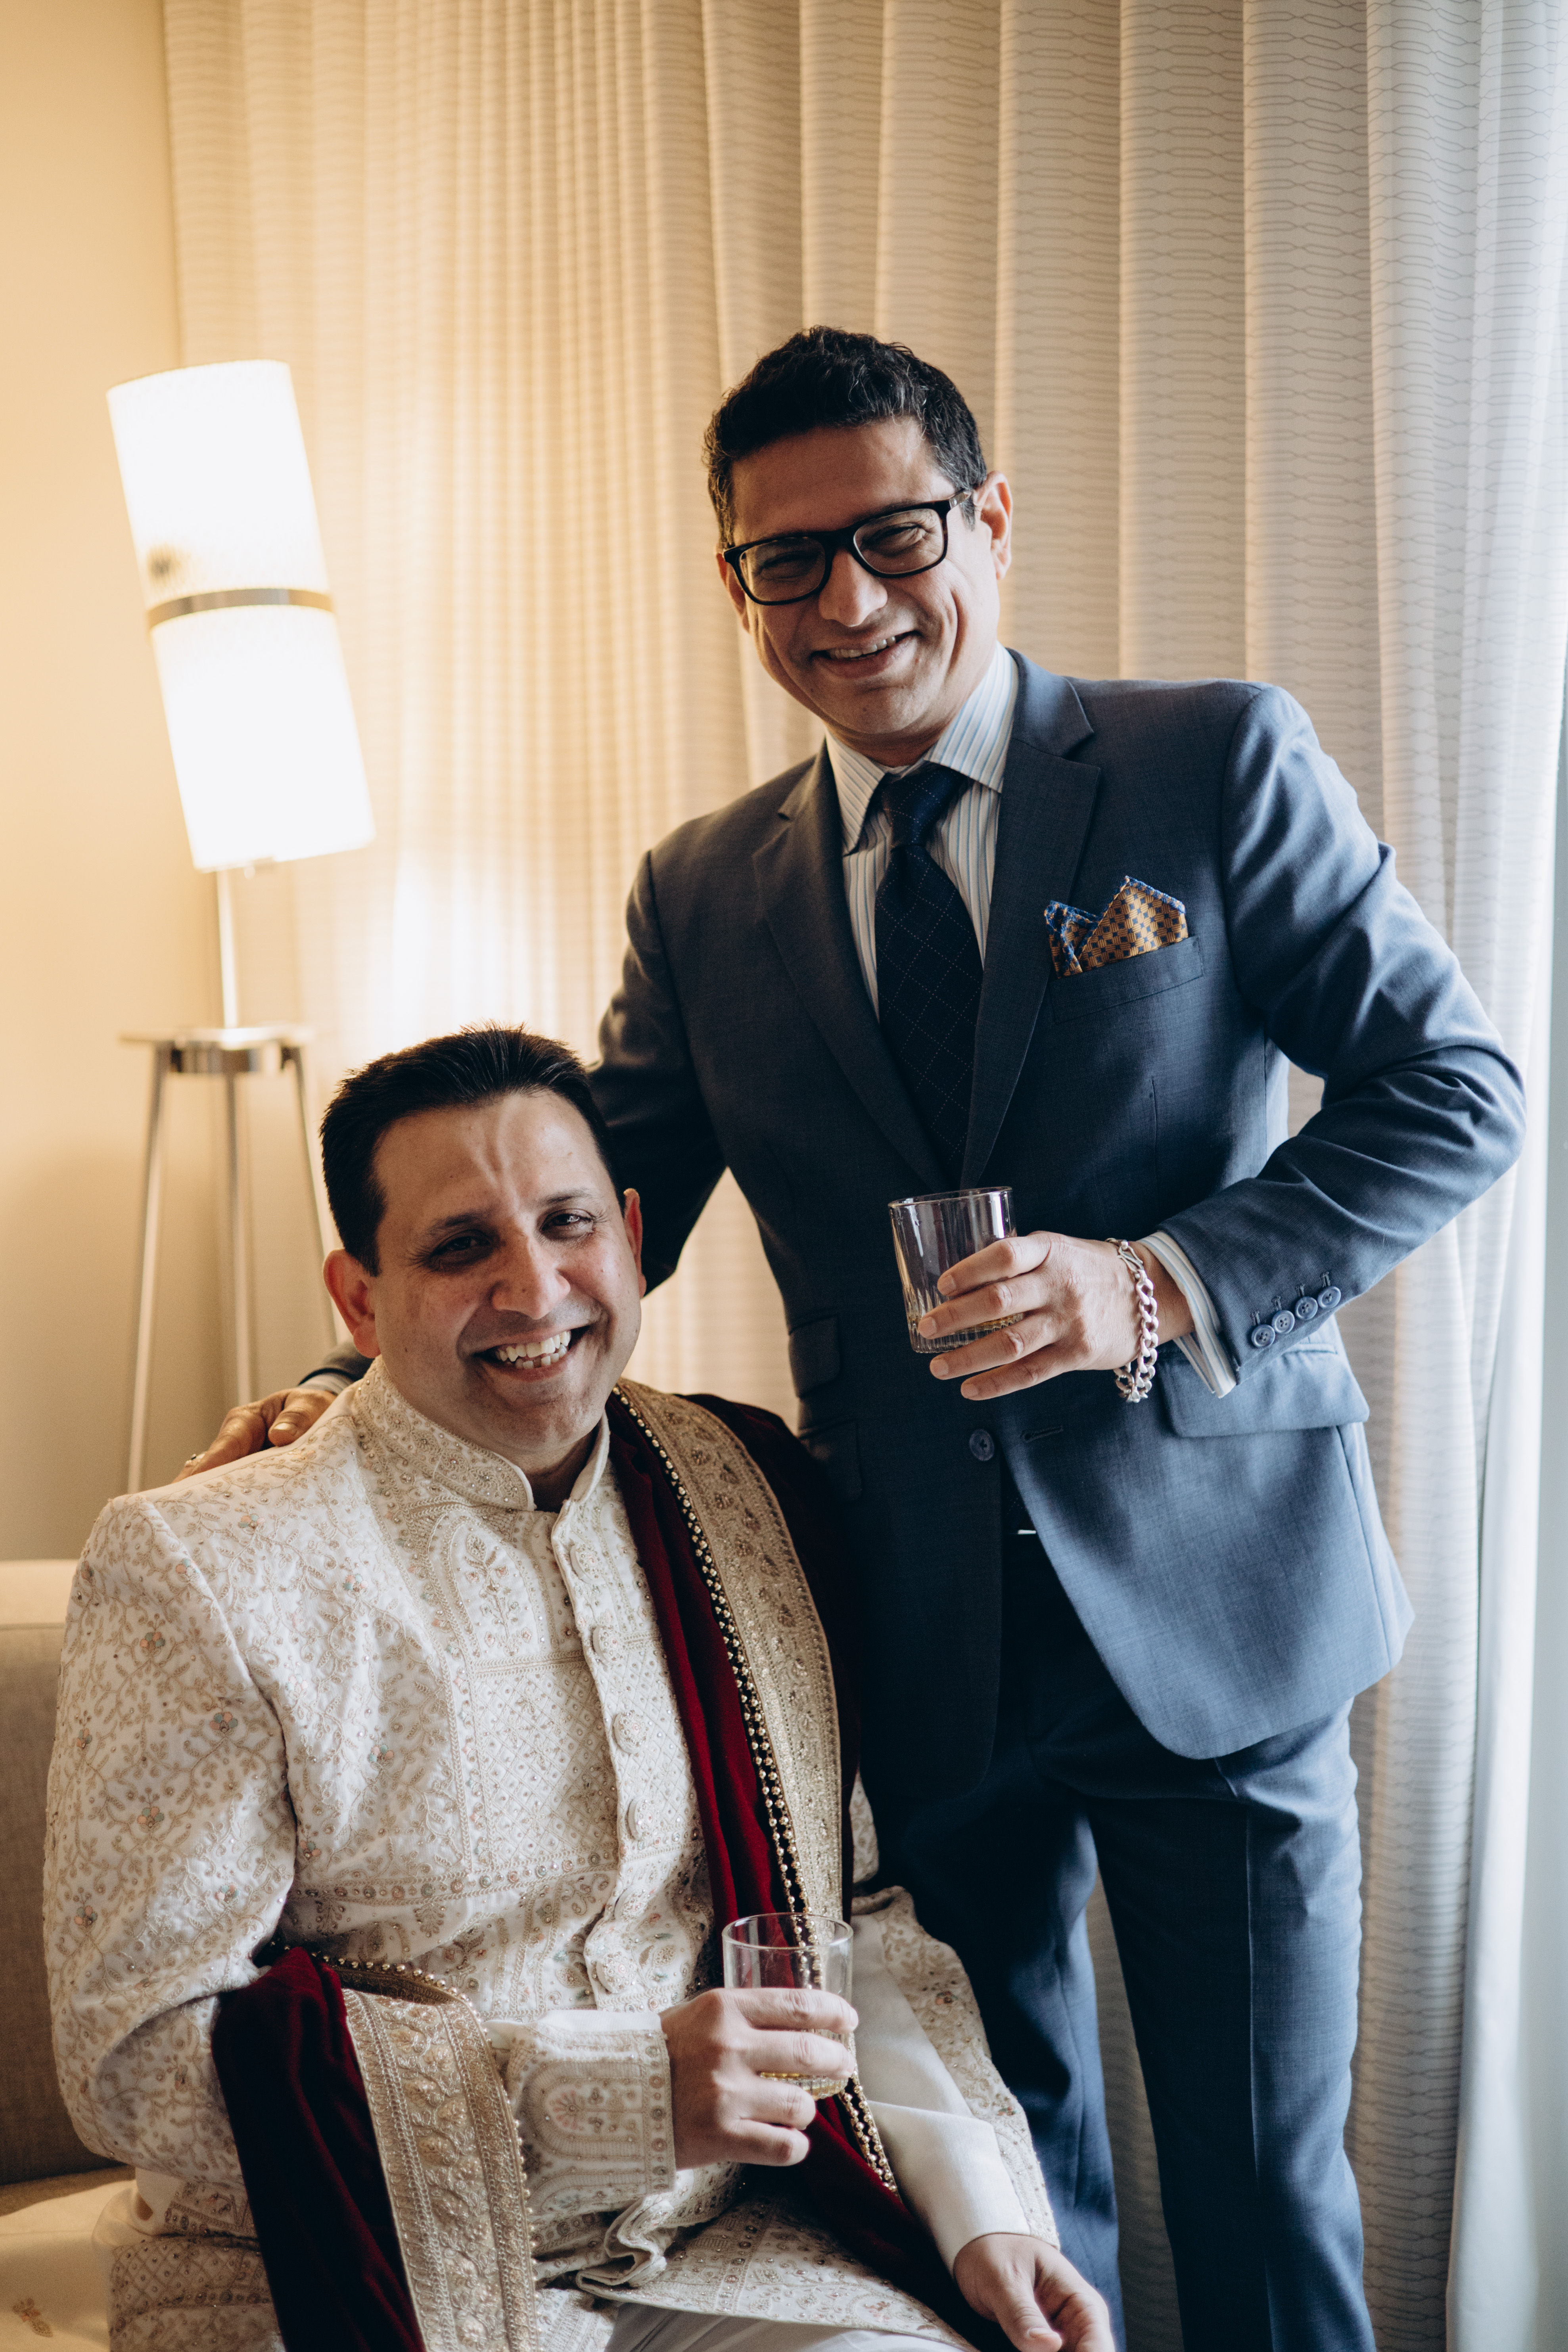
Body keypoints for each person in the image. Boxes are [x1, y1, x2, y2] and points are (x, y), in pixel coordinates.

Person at [184, 330, 1525, 2350]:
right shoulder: (700, 891)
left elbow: (1456, 1092)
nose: (849, 601)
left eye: (893, 536)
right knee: (992, 2180)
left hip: (1218, 1608)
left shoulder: (1209, 761)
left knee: (1259, 2193)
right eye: (784, 561)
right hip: (909, 1649)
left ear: (985, 520)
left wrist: (1149, 1281)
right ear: (736, 584)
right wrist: (344, 1392)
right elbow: (588, 1218)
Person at [46, 1024, 1110, 2352]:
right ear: (358, 1299)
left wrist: (983, 2213)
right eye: (459, 1246)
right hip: (336, 2273)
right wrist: (613, 2095)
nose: (534, 1286)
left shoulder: (737, 1491)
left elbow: (846, 1918)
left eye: (568, 1222)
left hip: (728, 2255)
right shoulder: (208, 1559)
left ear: (634, 1233)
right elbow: (136, 2058)